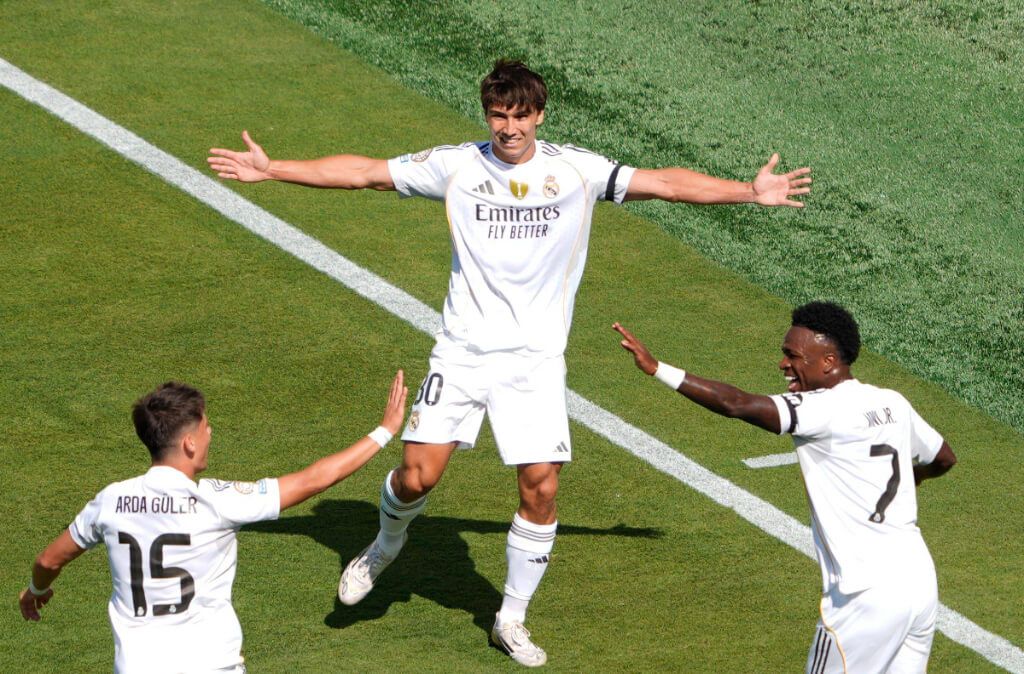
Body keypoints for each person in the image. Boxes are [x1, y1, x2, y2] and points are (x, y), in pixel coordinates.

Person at [207, 59, 811, 667]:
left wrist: (749, 192)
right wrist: (274, 169)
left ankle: (510, 618)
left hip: (535, 362)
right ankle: (385, 546)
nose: (509, 128)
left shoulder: (575, 169)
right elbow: (366, 173)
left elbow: (666, 183)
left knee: (540, 488)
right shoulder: (457, 165)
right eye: (499, 115)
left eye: (520, 116)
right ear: (487, 114)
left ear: (539, 115)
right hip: (462, 351)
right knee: (417, 477)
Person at [613, 301, 957, 673]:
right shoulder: (892, 402)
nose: (782, 364)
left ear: (828, 361)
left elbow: (736, 404)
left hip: (863, 598)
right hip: (918, 582)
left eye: (792, 356)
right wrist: (913, 479)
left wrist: (656, 368)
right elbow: (943, 459)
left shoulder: (822, 409)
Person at [19, 371, 407, 673]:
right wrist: (385, 430)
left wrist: (35, 590)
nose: (210, 433)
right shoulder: (214, 501)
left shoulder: (110, 501)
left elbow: (49, 561)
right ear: (188, 443)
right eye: (205, 427)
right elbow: (313, 479)